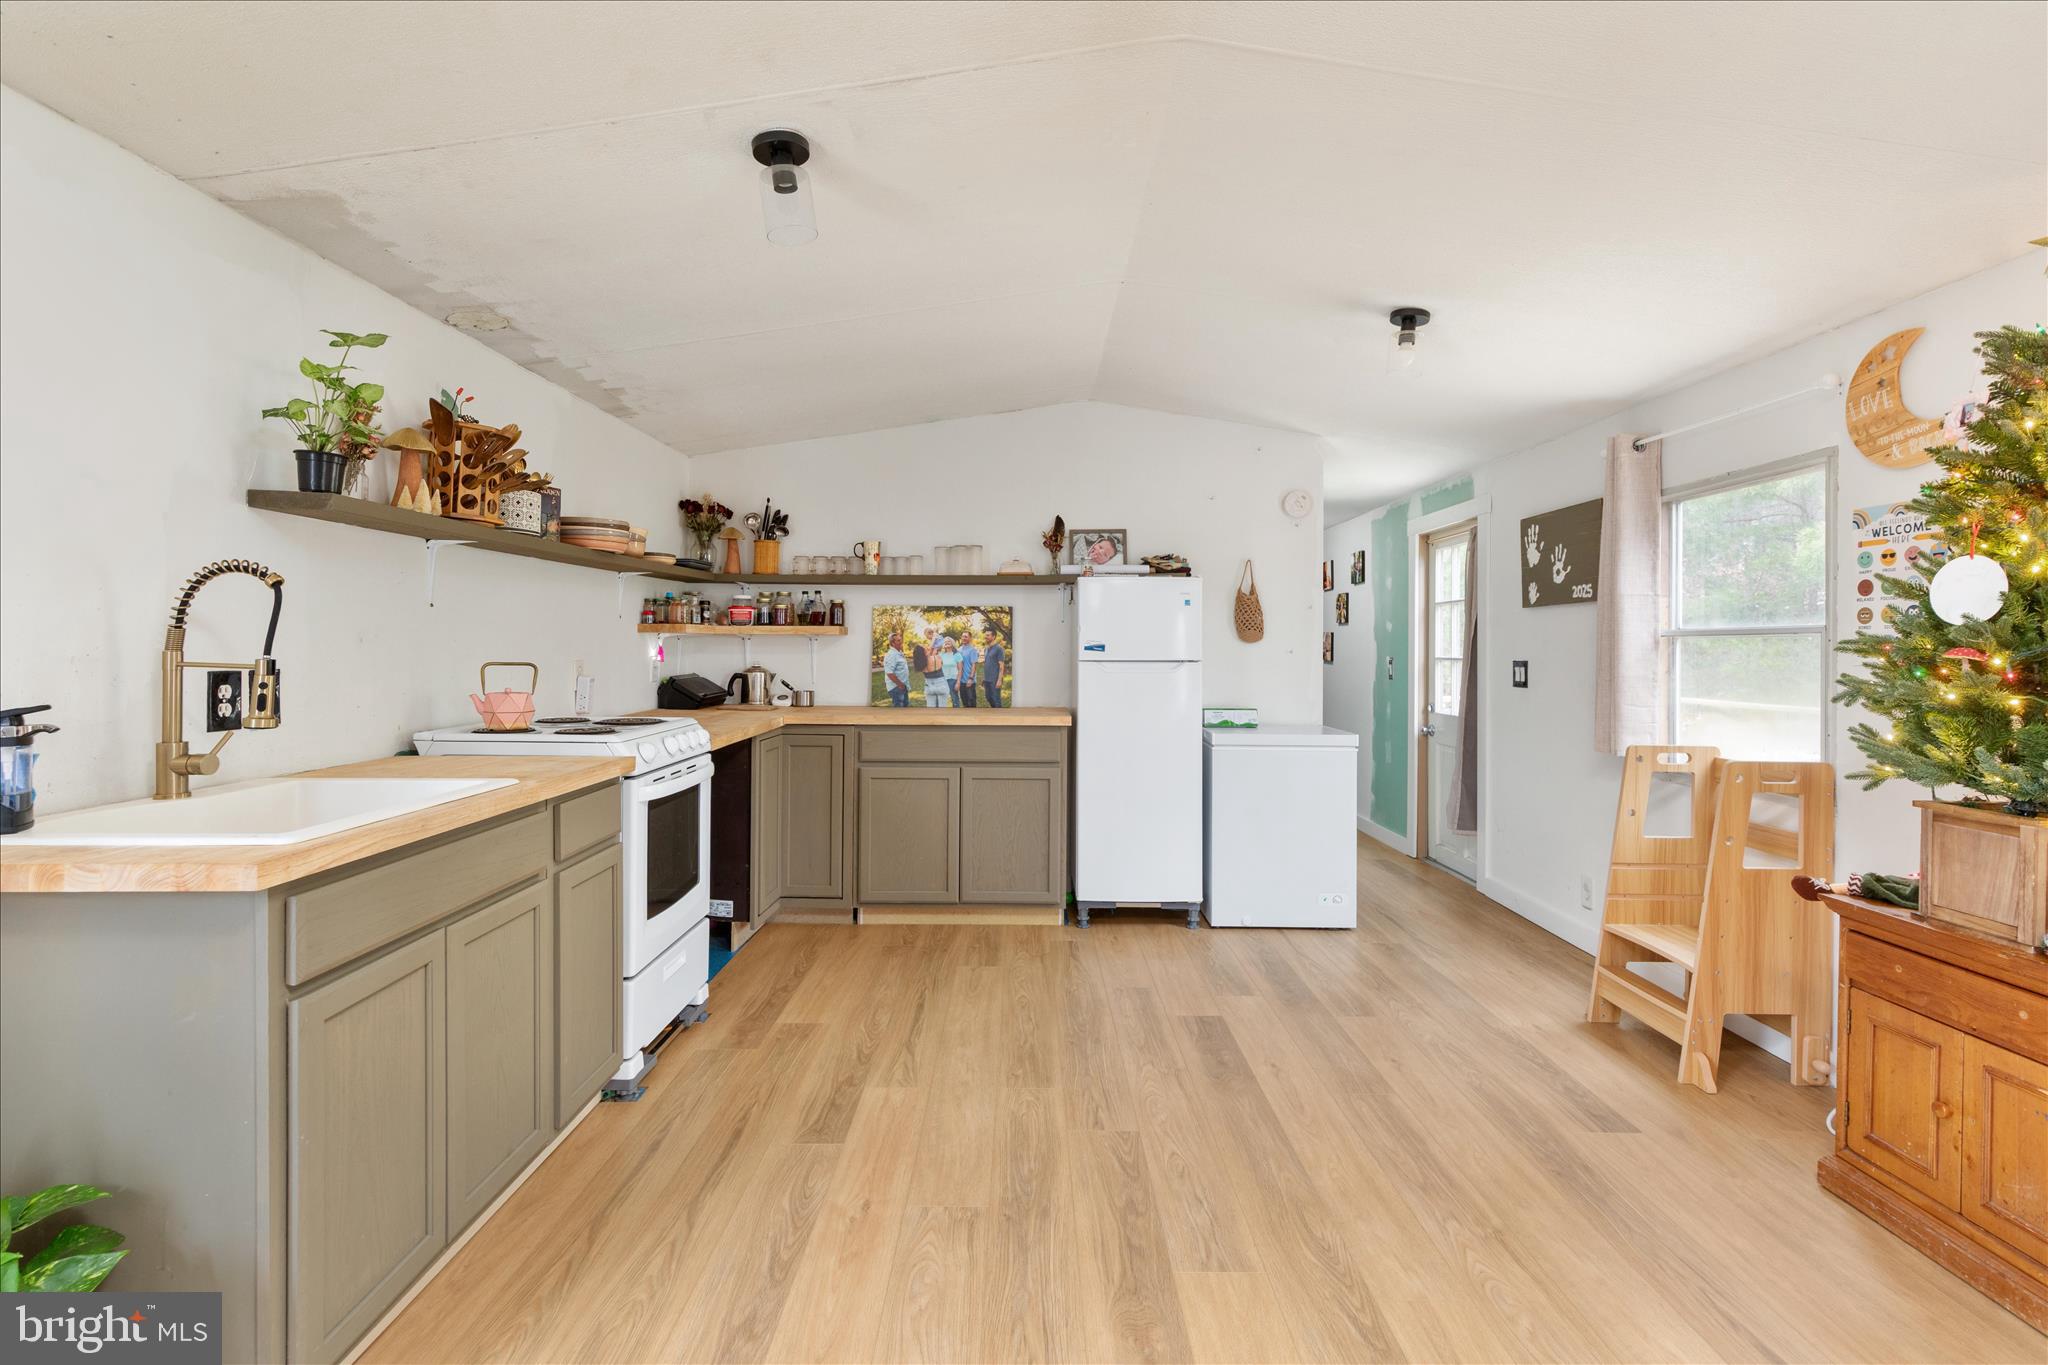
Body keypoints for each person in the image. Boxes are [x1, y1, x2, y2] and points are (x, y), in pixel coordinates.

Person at [920, 632, 949, 706]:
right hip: (940, 686)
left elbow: (930, 649)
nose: (927, 647)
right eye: (925, 648)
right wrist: (934, 638)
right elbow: (933, 648)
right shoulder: (936, 658)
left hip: (929, 687)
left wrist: (933, 641)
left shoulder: (919, 662)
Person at [882, 630, 910, 706]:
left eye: (901, 640)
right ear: (892, 643)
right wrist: (900, 685)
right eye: (898, 640)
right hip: (896, 688)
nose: (901, 642)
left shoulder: (899, 653)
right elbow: (889, 673)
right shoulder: (891, 655)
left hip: (902, 686)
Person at [981, 631, 1007, 707]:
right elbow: (986, 664)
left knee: (996, 699)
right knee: (988, 697)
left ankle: (999, 715)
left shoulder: (999, 649)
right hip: (987, 679)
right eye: (985, 635)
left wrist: (999, 680)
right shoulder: (986, 649)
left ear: (994, 637)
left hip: (995, 679)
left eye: (988, 635)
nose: (986, 637)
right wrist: (984, 677)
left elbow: (1001, 666)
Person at [956, 631, 981, 707]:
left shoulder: (972, 650)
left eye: (966, 636)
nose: (964, 638)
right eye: (963, 636)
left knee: (971, 702)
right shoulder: (959, 650)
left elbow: (974, 665)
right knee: (964, 702)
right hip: (961, 680)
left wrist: (970, 678)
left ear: (970, 638)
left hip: (969, 681)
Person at [940, 634, 962, 705]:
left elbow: (960, 670)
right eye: (945, 642)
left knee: (954, 699)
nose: (947, 643)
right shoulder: (941, 655)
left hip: (953, 680)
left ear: (952, 643)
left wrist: (958, 682)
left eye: (949, 641)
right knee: (942, 699)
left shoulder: (957, 655)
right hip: (943, 680)